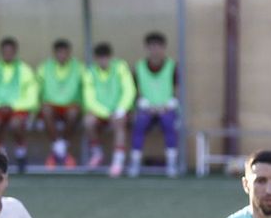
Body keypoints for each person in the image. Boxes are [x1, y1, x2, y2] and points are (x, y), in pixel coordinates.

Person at [0, 37, 38, 174]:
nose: (8, 54)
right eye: (5, 51)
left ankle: (21, 153)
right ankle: (0, 155)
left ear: (15, 51)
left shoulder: (25, 70)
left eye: (10, 51)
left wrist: (13, 106)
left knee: (15, 124)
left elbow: (32, 97)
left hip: (18, 109)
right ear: (1, 52)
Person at [129, 31, 178, 178]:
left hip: (166, 108)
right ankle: (135, 163)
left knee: (169, 122)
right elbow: (134, 92)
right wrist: (144, 104)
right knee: (139, 123)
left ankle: (172, 163)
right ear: (147, 48)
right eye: (152, 47)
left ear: (164, 48)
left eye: (158, 47)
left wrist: (168, 105)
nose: (155, 50)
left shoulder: (173, 66)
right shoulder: (138, 67)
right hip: (146, 109)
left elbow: (178, 92)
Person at [82, 42, 135, 177]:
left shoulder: (121, 68)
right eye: (100, 58)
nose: (103, 61)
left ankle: (118, 160)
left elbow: (129, 90)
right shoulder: (90, 73)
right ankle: (97, 153)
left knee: (120, 121)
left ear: (111, 57)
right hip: (102, 112)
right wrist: (106, 113)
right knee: (88, 121)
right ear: (95, 58)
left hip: (119, 110)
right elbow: (89, 99)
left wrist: (121, 109)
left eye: (105, 57)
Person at [38, 38, 83, 169]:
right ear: (55, 53)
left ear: (69, 53)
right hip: (52, 106)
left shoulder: (79, 67)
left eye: (65, 52)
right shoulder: (44, 67)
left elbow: (85, 89)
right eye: (59, 52)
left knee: (74, 112)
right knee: (45, 109)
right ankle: (62, 152)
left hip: (71, 105)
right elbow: (38, 90)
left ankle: (56, 152)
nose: (62, 55)